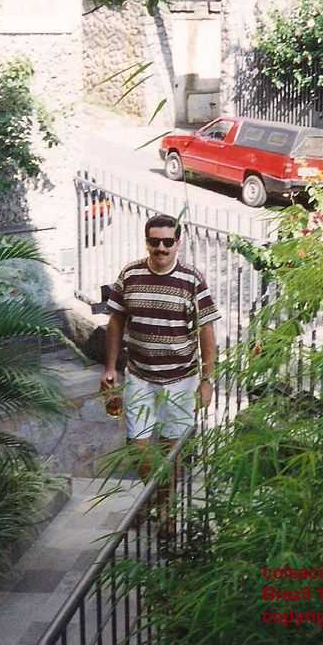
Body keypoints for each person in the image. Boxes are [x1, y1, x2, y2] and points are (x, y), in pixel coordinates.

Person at [100, 213, 219, 534]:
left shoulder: (192, 279)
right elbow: (116, 321)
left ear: (178, 243)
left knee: (171, 450)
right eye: (155, 241)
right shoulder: (130, 274)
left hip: (181, 380)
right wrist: (110, 367)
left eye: (168, 241)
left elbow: (207, 332)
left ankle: (164, 508)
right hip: (139, 375)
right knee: (137, 447)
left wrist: (207, 380)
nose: (161, 248)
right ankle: (158, 499)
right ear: (147, 242)